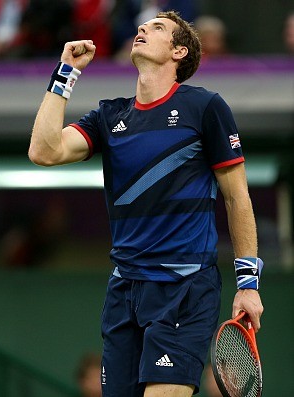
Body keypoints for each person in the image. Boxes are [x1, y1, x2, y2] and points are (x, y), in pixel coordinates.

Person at [28, 10, 264, 397]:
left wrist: (248, 284)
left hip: (185, 287)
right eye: (141, 25)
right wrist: (65, 72)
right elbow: (44, 150)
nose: (141, 28)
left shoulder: (205, 108)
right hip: (124, 290)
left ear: (178, 51)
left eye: (157, 28)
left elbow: (238, 198)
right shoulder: (108, 116)